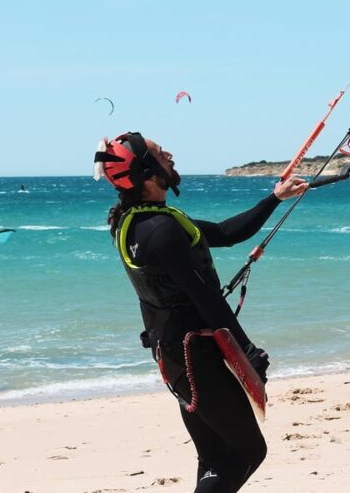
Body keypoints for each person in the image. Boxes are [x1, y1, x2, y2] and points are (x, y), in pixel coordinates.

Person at [94, 132, 307, 492]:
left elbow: (225, 233)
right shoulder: (161, 230)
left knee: (214, 457)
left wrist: (274, 198)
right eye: (161, 153)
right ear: (147, 171)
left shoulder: (134, 222)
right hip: (198, 363)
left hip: (174, 361)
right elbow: (207, 300)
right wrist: (249, 354)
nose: (171, 155)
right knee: (247, 450)